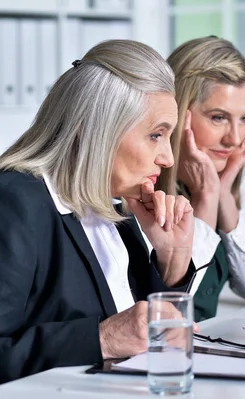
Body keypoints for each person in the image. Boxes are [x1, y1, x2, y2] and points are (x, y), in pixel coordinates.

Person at [0, 40, 203, 383]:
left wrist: (173, 259)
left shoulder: (114, 204)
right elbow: (116, 335)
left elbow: (144, 333)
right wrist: (103, 338)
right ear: (95, 128)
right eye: (155, 135)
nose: (168, 159)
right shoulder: (14, 204)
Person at [161, 37, 245, 321]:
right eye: (218, 118)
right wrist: (205, 197)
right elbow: (169, 313)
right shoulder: (143, 188)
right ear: (179, 113)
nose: (235, 138)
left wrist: (224, 195)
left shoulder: (221, 178)